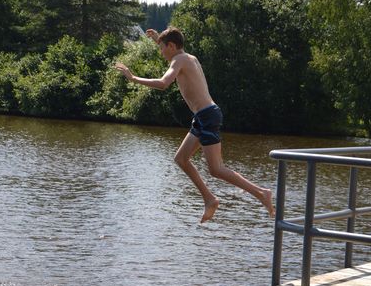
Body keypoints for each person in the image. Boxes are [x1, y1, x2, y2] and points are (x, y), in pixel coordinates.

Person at [115, 27, 274, 223]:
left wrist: (133, 78)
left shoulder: (179, 60)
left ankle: (261, 193)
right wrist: (158, 40)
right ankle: (210, 199)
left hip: (207, 116)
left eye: (162, 48)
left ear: (171, 46)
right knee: (181, 159)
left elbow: (164, 83)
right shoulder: (188, 58)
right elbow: (172, 51)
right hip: (202, 116)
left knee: (216, 169)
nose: (161, 52)